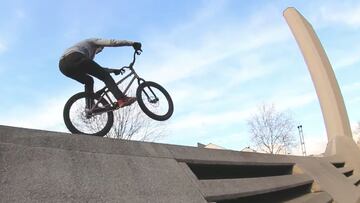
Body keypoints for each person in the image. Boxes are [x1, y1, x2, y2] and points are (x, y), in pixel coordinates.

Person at [59, 38, 142, 109]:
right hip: (75, 57)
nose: (98, 52)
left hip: (63, 66)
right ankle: (121, 99)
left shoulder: (84, 51)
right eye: (100, 50)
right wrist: (132, 43)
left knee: (89, 81)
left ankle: (90, 107)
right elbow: (112, 42)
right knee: (105, 77)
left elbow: (97, 69)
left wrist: (113, 70)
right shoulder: (92, 41)